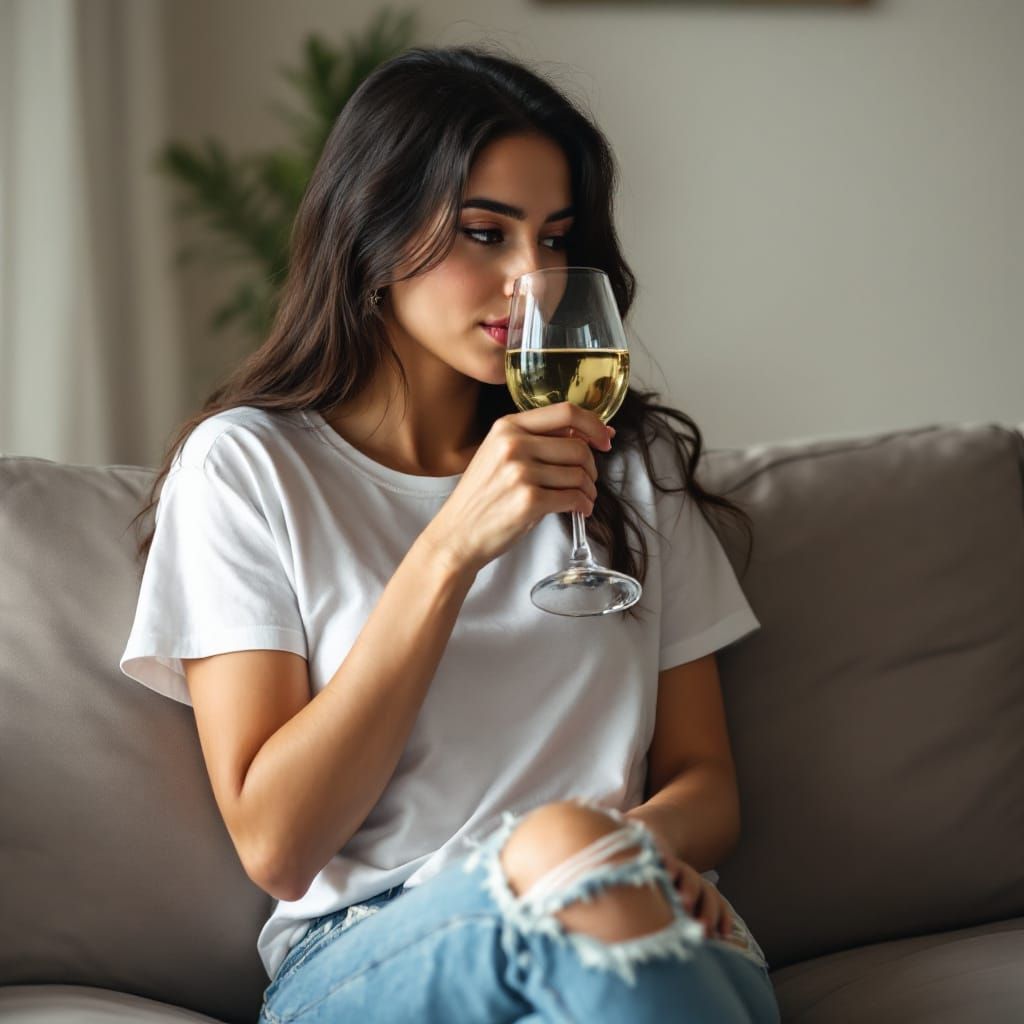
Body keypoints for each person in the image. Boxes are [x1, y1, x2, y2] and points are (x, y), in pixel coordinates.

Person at [121, 45, 781, 1024]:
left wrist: (625, 853)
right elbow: (277, 842)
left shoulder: (626, 459)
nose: (533, 278)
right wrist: (449, 547)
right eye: (485, 233)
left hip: (637, 914)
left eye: (555, 238)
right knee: (563, 852)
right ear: (376, 233)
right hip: (372, 959)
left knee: (586, 875)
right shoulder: (248, 469)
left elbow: (706, 781)